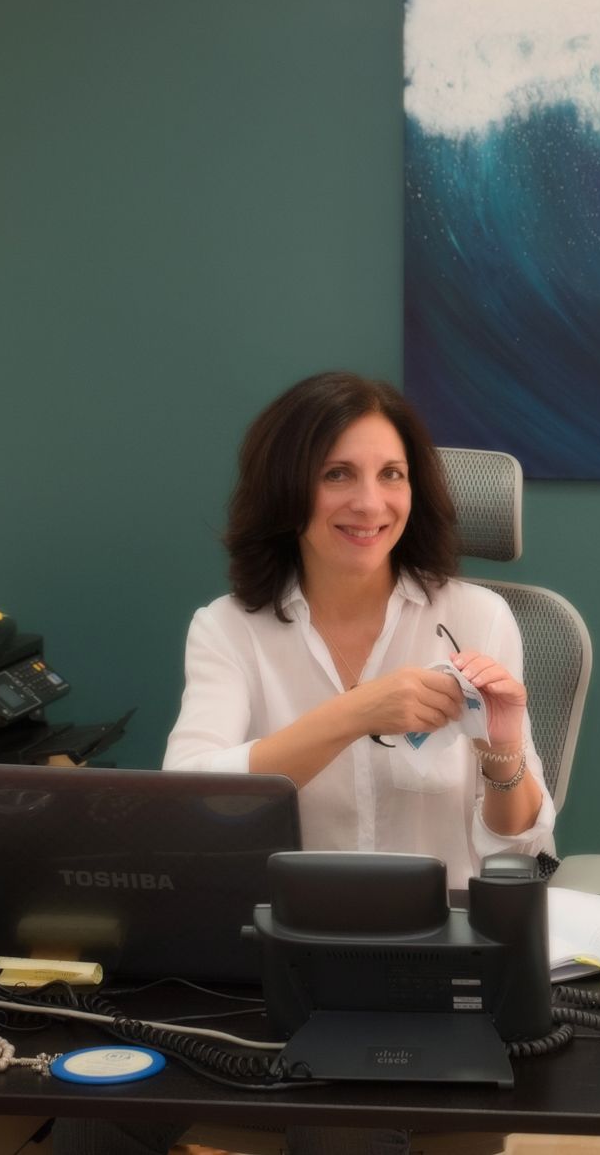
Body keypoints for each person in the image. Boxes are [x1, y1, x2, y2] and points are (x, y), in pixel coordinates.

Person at [164, 371, 554, 876]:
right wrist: (354, 713)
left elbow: (521, 851)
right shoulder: (227, 628)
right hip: (291, 918)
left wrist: (502, 753)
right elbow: (188, 801)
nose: (370, 504)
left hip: (441, 919)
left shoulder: (479, 616)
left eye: (391, 474)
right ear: (285, 489)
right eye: (337, 474)